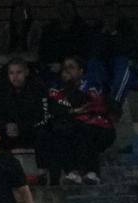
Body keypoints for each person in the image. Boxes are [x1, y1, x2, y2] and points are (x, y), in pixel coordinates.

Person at [37, 55, 116, 185]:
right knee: (57, 131)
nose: (66, 71)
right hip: (74, 127)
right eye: (64, 68)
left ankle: (92, 173)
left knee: (80, 129)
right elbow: (53, 109)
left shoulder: (91, 86)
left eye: (71, 67)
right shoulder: (57, 89)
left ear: (81, 71)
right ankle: (72, 173)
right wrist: (70, 111)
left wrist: (68, 109)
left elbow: (82, 101)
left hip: (101, 128)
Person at [86, 1, 138, 111]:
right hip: (104, 67)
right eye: (107, 15)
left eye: (112, 15)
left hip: (121, 67)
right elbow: (94, 52)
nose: (109, 19)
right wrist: (103, 34)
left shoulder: (126, 28)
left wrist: (114, 33)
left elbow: (126, 50)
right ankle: (95, 98)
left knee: (122, 63)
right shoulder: (97, 29)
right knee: (93, 63)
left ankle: (115, 100)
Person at [0, 58, 47, 149]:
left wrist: (21, 127)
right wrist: (6, 125)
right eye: (11, 73)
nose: (15, 77)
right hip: (7, 132)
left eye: (19, 72)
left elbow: (43, 117)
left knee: (43, 134)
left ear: (26, 72)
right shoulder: (1, 90)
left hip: (30, 132)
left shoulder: (38, 89)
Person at [38, 0, 89, 77]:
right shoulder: (50, 29)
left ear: (74, 11)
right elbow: (43, 51)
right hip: (52, 69)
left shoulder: (82, 28)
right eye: (62, 10)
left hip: (74, 70)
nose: (65, 13)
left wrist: (64, 66)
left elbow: (84, 53)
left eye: (67, 10)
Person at [0, 1, 40, 73]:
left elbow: (35, 56)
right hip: (8, 65)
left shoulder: (35, 30)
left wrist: (18, 56)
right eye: (17, 12)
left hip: (29, 66)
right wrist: (12, 58)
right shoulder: (5, 30)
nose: (20, 15)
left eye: (22, 12)